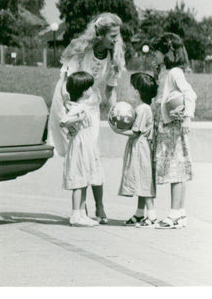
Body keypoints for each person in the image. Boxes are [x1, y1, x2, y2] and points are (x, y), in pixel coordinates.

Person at [49, 13, 126, 223]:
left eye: (117, 36)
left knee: (93, 156)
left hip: (91, 109)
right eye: (112, 35)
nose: (115, 40)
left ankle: (99, 206)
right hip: (73, 105)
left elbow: (110, 92)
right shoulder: (82, 53)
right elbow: (67, 84)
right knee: (82, 157)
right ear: (99, 34)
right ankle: (79, 211)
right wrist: (68, 116)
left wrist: (116, 111)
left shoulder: (113, 57)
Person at [151, 32, 196, 229]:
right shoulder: (164, 71)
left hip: (173, 129)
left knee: (175, 171)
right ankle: (181, 213)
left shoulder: (175, 72)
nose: (155, 54)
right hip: (167, 127)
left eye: (158, 51)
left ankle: (174, 213)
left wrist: (187, 117)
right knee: (177, 170)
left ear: (167, 52)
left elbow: (190, 93)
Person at [114, 72, 158, 227]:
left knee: (144, 181)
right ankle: (140, 213)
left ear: (137, 92)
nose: (130, 89)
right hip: (139, 148)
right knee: (140, 180)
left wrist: (118, 130)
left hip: (141, 149)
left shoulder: (143, 109)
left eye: (132, 87)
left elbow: (135, 132)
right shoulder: (141, 107)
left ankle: (151, 216)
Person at [60, 71, 103, 227]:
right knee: (79, 179)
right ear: (84, 91)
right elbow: (64, 121)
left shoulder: (75, 104)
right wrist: (78, 119)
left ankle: (82, 214)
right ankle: (75, 214)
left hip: (85, 144)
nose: (92, 90)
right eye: (90, 87)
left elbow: (64, 95)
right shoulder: (78, 108)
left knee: (84, 179)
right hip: (81, 145)